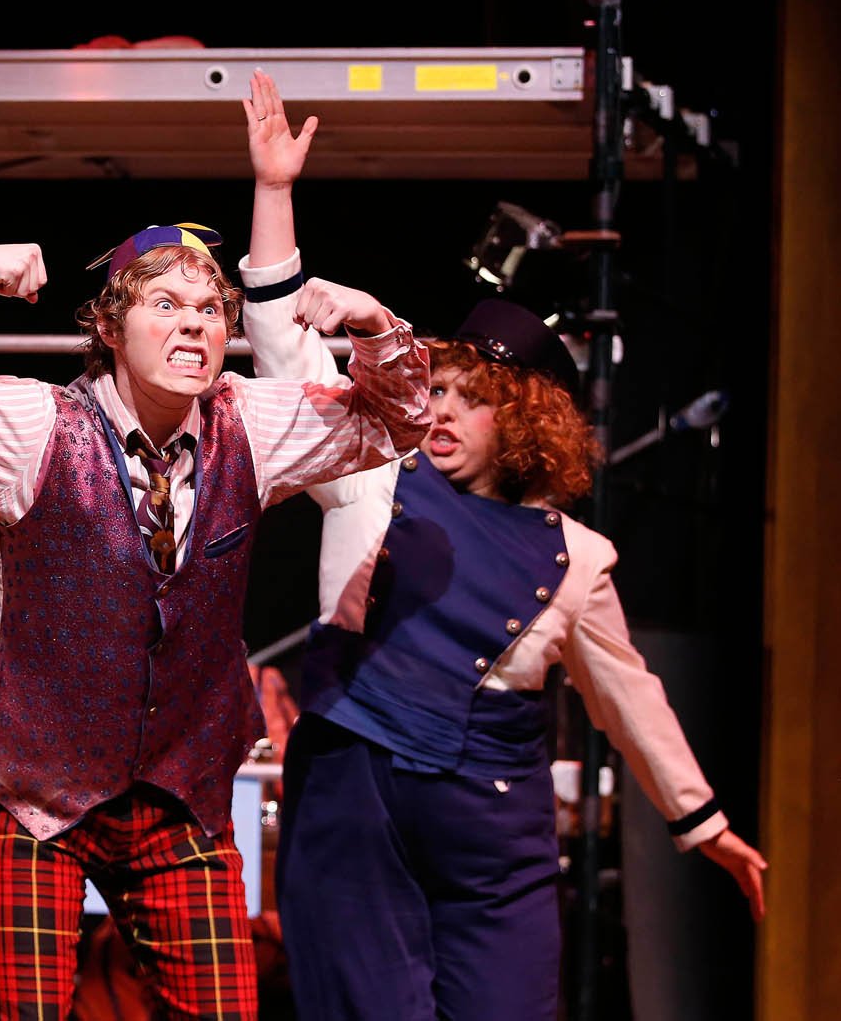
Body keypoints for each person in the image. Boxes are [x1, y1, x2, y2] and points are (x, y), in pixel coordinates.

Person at [0, 118, 431, 1017]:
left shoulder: (252, 422)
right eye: (164, 305)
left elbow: (401, 421)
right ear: (108, 324)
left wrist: (374, 327)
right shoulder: (33, 429)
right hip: (35, 798)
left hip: (181, 798)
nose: (194, 323)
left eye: (208, 308)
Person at [238, 71, 768, 1021]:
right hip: (359, 799)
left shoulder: (580, 557)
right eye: (437, 390)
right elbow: (283, 346)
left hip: (494, 828)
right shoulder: (374, 469)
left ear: (523, 425)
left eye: (470, 400)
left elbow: (629, 699)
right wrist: (274, 191)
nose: (441, 411)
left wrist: (703, 822)